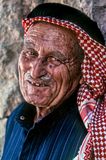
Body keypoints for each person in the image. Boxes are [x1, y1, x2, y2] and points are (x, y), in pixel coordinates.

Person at [1, 3, 106, 160]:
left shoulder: (92, 135)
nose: (35, 72)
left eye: (54, 59)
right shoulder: (17, 118)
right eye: (30, 53)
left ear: (83, 70)